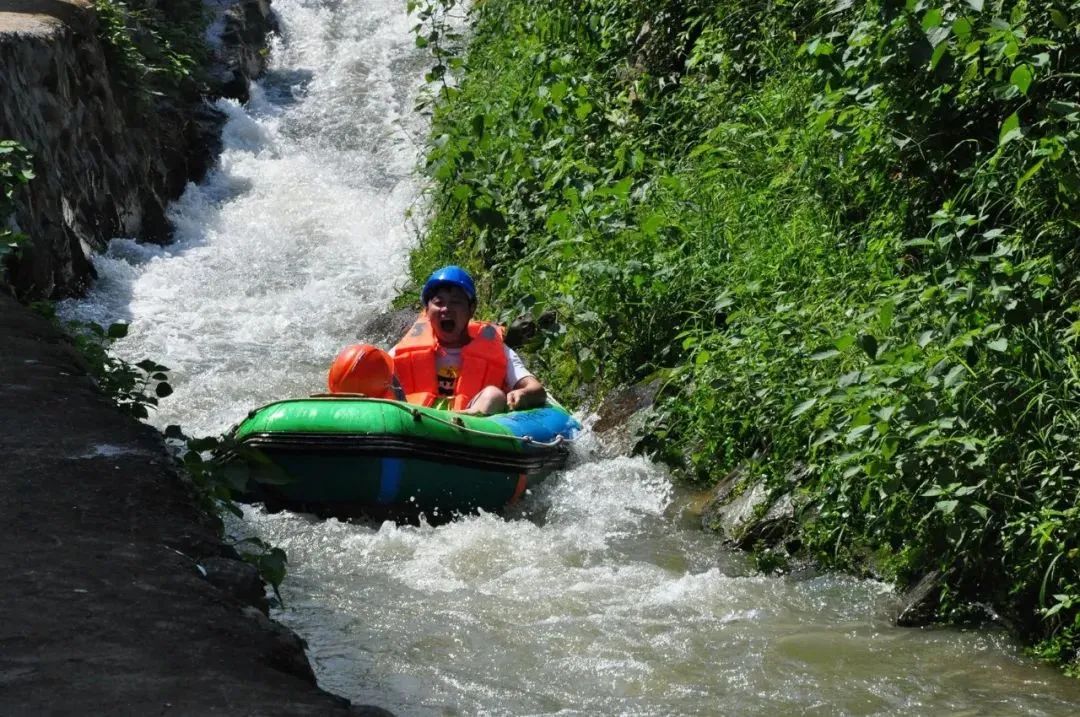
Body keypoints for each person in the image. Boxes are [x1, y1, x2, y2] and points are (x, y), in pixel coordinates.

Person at [390, 265, 546, 415]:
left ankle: (460, 425)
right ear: (427, 310)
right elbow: (376, 378)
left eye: (456, 302)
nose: (446, 309)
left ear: (471, 308)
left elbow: (536, 389)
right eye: (439, 302)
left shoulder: (497, 349)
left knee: (493, 395)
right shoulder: (405, 348)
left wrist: (523, 394)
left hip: (471, 426)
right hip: (416, 419)